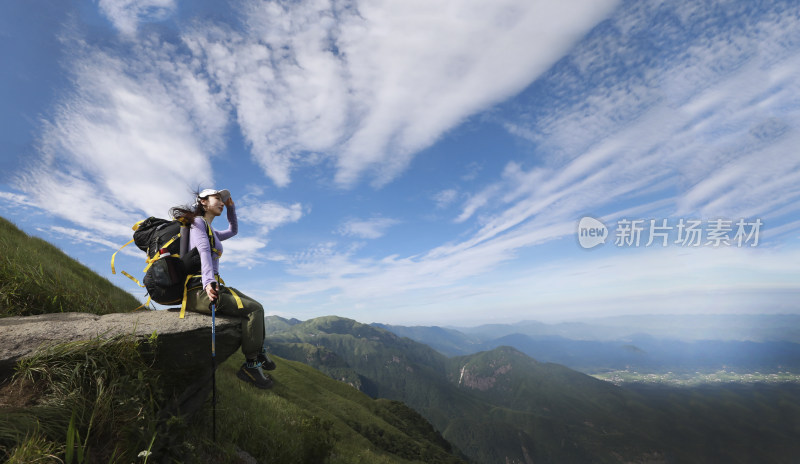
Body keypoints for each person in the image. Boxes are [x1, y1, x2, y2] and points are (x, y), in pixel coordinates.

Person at [170, 188, 276, 389]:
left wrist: (231, 208)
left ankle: (259, 351)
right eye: (217, 198)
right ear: (203, 202)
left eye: (222, 199)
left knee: (257, 306)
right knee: (254, 309)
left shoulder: (212, 231)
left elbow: (233, 230)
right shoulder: (198, 223)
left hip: (210, 283)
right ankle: (251, 365)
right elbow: (203, 252)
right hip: (199, 290)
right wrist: (209, 283)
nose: (221, 202)